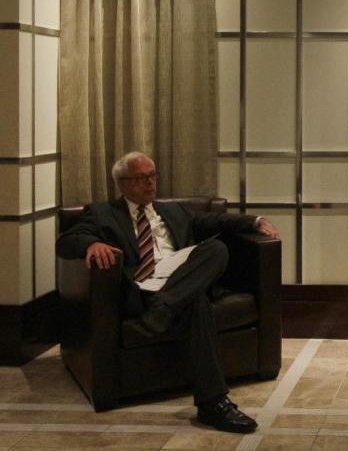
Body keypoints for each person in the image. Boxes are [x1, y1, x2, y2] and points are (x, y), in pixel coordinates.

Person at [55, 151, 280, 433]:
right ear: (122, 183)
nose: (150, 183)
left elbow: (215, 223)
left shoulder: (172, 211)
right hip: (143, 289)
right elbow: (67, 240)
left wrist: (254, 221)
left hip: (177, 283)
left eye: (153, 176)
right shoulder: (102, 213)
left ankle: (164, 311)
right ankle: (214, 404)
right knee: (196, 300)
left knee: (216, 249)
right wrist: (91, 244)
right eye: (141, 178)